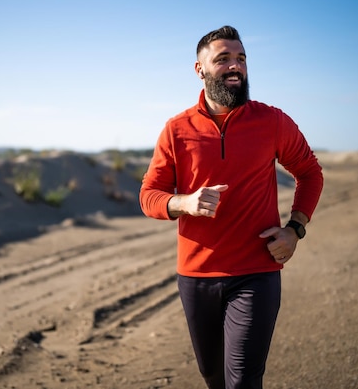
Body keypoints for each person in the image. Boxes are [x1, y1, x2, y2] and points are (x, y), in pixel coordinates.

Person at [139, 25, 324, 389]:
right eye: (223, 59)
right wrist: (184, 202)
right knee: (214, 376)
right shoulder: (176, 130)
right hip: (196, 276)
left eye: (240, 58)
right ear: (200, 69)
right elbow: (149, 195)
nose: (235, 66)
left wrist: (295, 229)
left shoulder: (271, 121)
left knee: (242, 380)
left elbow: (309, 173)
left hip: (256, 271)